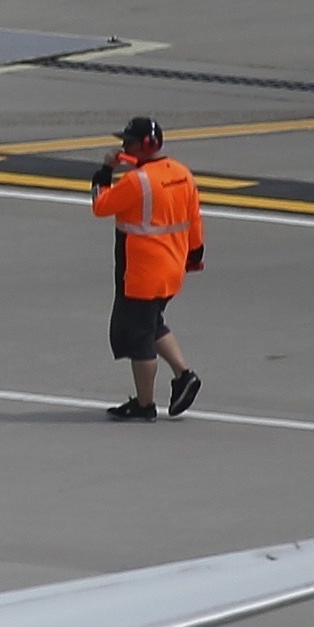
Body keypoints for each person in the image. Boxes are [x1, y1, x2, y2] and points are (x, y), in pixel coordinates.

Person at [90, 115, 204, 419]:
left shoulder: (137, 181)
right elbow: (194, 219)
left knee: (138, 337)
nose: (123, 146)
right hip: (172, 267)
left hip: (141, 272)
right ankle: (184, 375)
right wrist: (194, 256)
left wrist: (105, 171)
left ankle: (144, 404)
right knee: (152, 323)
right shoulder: (182, 174)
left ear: (144, 146)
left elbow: (100, 206)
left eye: (127, 142)